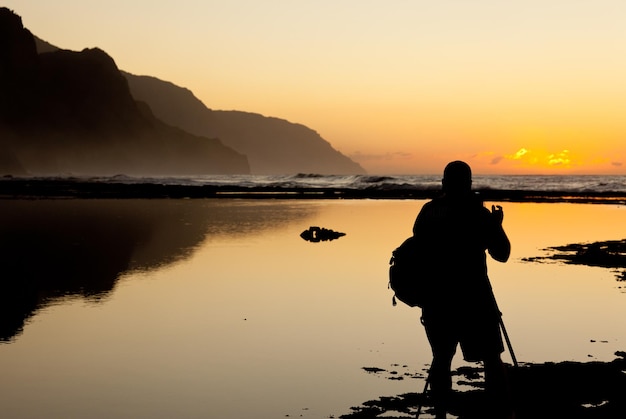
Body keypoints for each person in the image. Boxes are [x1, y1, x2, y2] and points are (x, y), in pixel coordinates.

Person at [412, 161, 514, 419]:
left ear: (444, 183)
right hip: (475, 297)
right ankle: (499, 413)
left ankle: (440, 415)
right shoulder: (478, 215)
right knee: (491, 358)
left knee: (441, 358)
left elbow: (417, 250)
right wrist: (497, 224)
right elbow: (501, 254)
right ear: (469, 185)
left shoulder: (428, 211)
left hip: (436, 299)